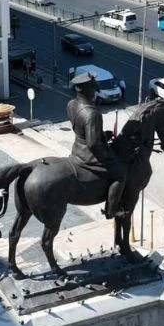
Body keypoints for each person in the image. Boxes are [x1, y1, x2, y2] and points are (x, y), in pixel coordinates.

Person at [67, 73, 127, 219]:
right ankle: (111, 210)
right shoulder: (92, 113)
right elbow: (93, 144)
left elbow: (82, 131)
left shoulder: (71, 105)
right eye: (93, 88)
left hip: (77, 149)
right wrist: (107, 156)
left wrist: (102, 135)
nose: (95, 91)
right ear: (86, 89)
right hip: (88, 155)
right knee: (120, 174)